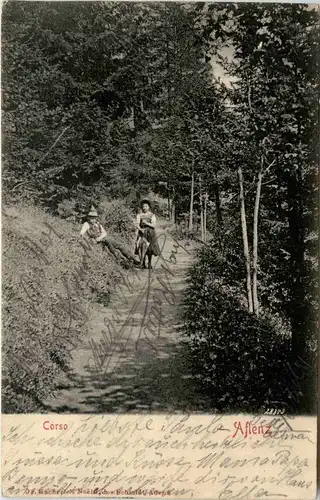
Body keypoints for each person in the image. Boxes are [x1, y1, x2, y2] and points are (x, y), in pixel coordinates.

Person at [135, 199, 161, 269]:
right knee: (140, 246)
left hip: (150, 232)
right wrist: (140, 229)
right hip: (142, 232)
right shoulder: (139, 215)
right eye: (143, 206)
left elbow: (153, 225)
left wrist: (146, 223)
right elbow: (137, 224)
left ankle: (149, 262)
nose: (144, 208)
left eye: (146, 206)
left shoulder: (152, 215)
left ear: (149, 207)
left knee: (150, 248)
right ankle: (142, 263)